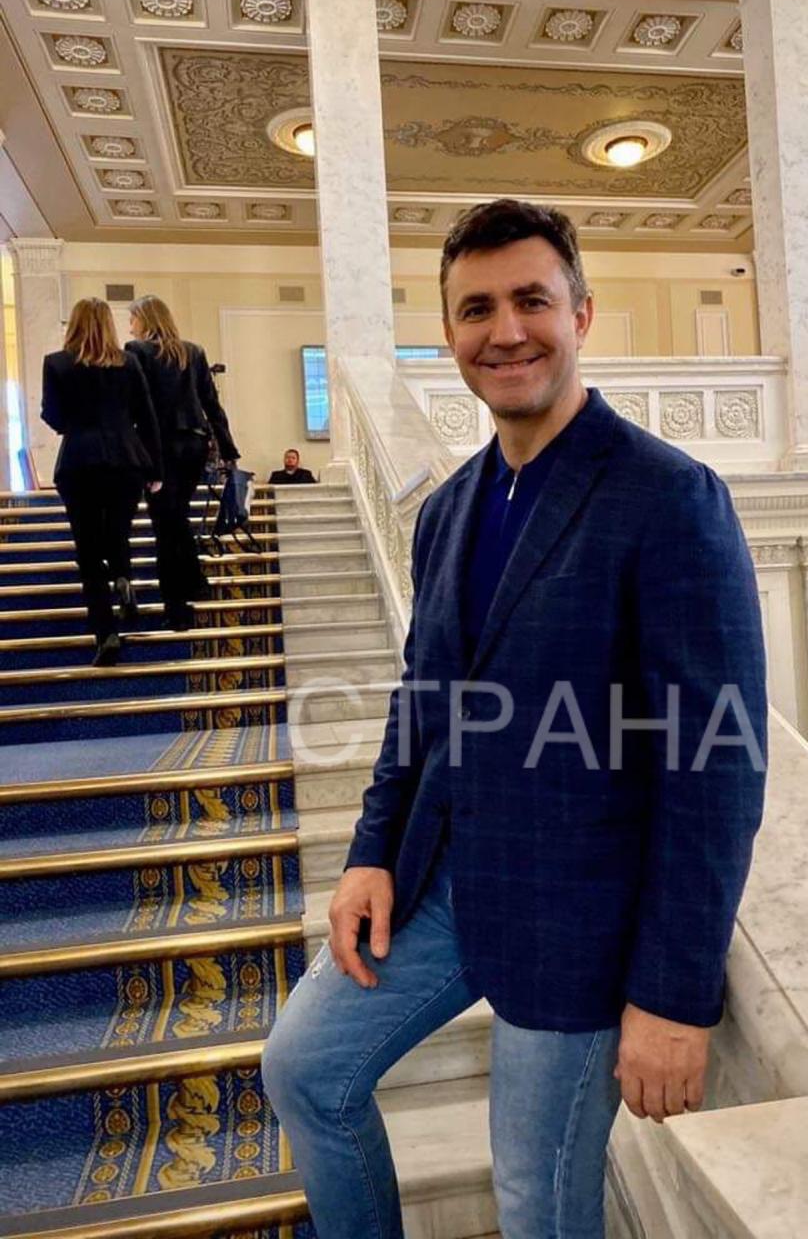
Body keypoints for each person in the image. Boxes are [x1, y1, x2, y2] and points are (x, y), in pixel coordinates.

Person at [262, 199, 768, 1239]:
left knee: (535, 1200)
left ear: (581, 313)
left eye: (531, 300)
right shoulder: (449, 509)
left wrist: (675, 993)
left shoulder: (669, 497)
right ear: (449, 334)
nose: (506, 331)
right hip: (447, 884)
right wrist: (371, 854)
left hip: (581, 921)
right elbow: (422, 701)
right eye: (476, 309)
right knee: (303, 1068)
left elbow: (715, 768)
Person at [42, 298, 162, 667]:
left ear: (74, 324)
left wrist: (76, 424)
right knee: (118, 532)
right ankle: (123, 577)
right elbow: (146, 416)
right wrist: (155, 469)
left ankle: (106, 633)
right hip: (126, 461)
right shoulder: (129, 362)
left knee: (89, 552)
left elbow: (53, 415)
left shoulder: (57, 363)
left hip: (79, 461)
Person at [125, 295, 240, 631]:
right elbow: (211, 404)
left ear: (145, 319)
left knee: (165, 524)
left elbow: (135, 405)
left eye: (132, 319)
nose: (130, 327)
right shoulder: (194, 351)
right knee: (175, 516)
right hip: (193, 445)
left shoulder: (136, 351)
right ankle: (192, 583)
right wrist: (228, 449)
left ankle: (177, 606)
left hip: (158, 447)